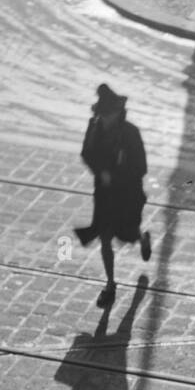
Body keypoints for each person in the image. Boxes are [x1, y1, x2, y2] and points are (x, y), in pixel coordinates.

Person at [75, 83, 151, 309]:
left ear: (117, 113)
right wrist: (102, 171)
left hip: (128, 193)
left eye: (107, 115)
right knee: (105, 236)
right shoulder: (94, 126)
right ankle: (110, 284)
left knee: (126, 234)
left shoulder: (130, 133)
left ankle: (142, 237)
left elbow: (141, 167)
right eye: (101, 114)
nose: (103, 119)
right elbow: (86, 153)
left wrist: (119, 173)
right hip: (105, 193)